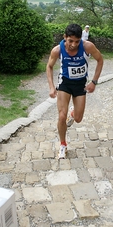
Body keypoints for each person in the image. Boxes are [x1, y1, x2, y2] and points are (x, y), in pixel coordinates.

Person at [46, 23, 104, 159]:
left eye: (77, 41)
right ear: (64, 37)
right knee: (61, 116)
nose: (73, 45)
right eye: (70, 41)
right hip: (65, 83)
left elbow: (100, 60)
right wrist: (51, 86)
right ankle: (63, 144)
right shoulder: (57, 50)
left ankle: (72, 113)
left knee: (78, 119)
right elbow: (49, 67)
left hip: (80, 85)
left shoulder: (87, 46)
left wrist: (94, 82)